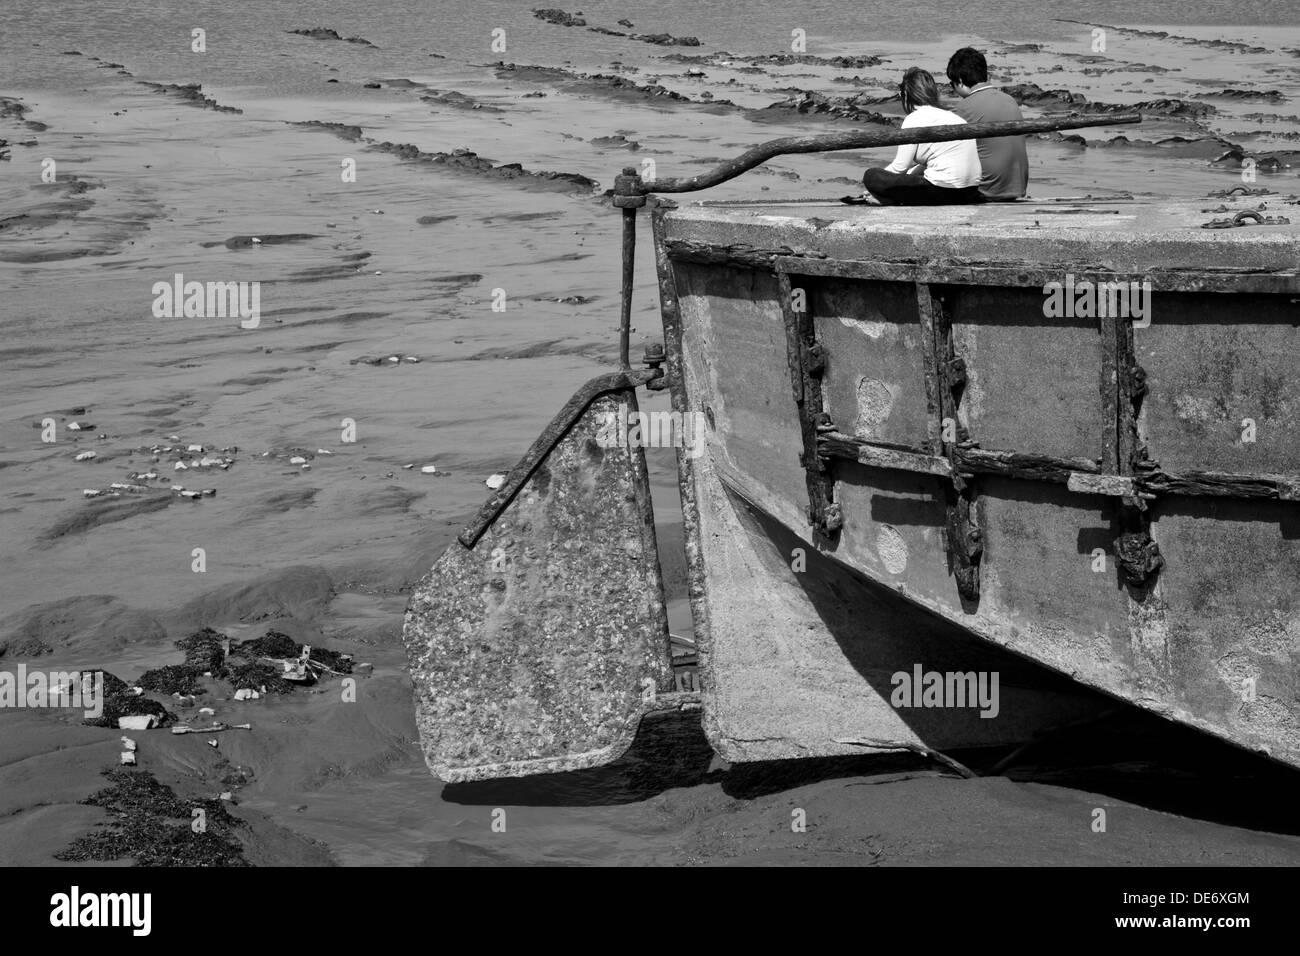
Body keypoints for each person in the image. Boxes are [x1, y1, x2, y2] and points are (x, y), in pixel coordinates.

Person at [861, 68, 982, 206]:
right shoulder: (953, 117)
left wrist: (877, 186)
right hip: (970, 192)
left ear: (906, 94)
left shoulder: (913, 119)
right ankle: (889, 198)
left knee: (872, 176)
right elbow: (927, 164)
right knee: (911, 177)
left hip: (944, 192)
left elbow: (899, 167)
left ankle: (888, 199)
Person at [946, 47, 1028, 201]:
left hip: (987, 191)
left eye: (952, 84)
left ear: (961, 81)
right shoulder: (1010, 100)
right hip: (1018, 187)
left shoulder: (964, 108)